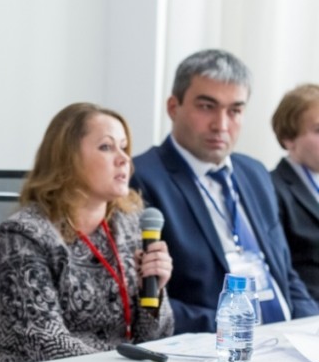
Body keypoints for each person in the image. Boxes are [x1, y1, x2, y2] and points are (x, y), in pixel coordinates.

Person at [0, 103, 174, 362]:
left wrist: (155, 292)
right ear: (67, 158)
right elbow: (45, 342)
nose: (124, 158)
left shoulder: (130, 225)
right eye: (106, 147)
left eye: (124, 147)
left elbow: (156, 339)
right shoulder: (23, 234)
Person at [131, 49, 317, 333]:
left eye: (235, 111)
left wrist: (310, 327)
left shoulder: (254, 173)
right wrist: (237, 329)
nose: (221, 125)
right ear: (173, 107)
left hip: (286, 338)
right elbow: (146, 299)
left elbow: (285, 275)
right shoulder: (141, 178)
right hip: (217, 341)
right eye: (207, 107)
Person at [270, 84, 319, 302]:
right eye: (318, 130)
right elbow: (283, 273)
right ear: (289, 138)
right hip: (308, 309)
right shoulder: (271, 188)